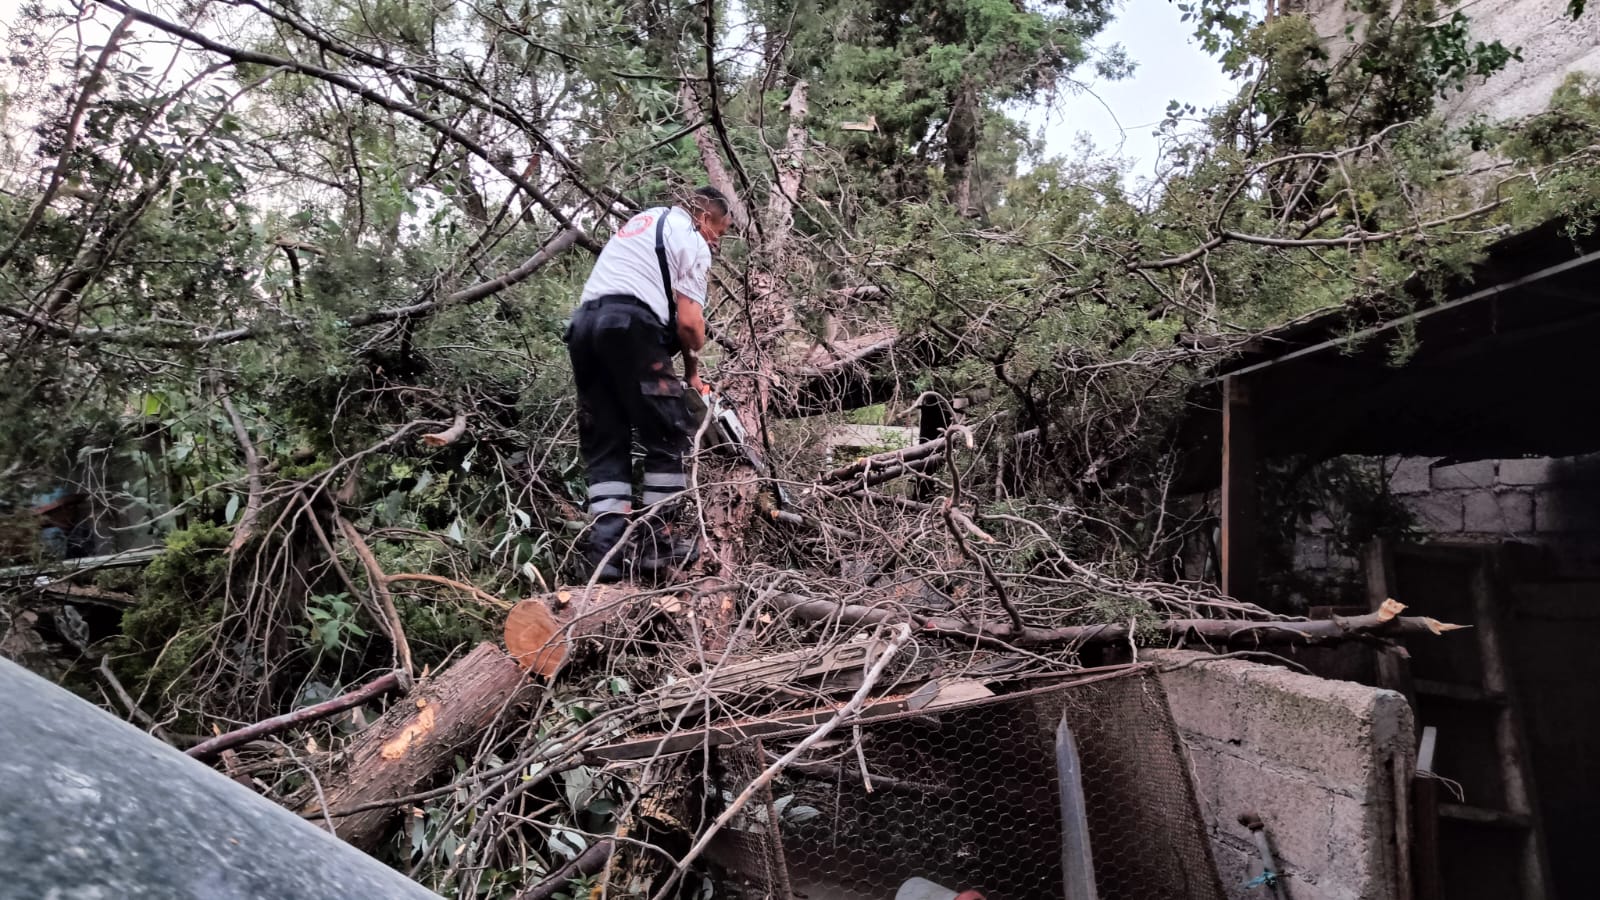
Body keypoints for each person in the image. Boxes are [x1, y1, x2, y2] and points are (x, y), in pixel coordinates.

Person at [564, 186, 733, 582]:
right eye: (720, 232)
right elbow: (689, 325)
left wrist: (691, 376)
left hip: (584, 329)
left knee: (606, 441)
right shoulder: (692, 238)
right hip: (631, 326)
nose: (717, 242)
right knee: (670, 433)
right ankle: (658, 544)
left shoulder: (643, 223)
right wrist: (696, 351)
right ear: (705, 217)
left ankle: (606, 555)